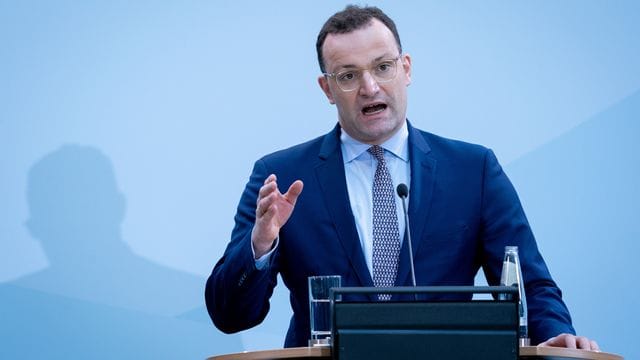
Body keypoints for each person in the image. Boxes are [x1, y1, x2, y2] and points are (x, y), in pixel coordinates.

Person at [206, 5, 599, 351]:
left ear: (405, 68)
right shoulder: (283, 177)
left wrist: (557, 334)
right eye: (348, 76)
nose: (370, 87)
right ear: (327, 88)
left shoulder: (472, 169)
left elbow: (530, 284)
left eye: (382, 67)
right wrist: (260, 243)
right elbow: (230, 316)